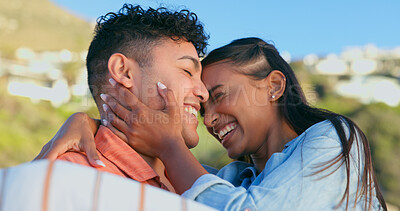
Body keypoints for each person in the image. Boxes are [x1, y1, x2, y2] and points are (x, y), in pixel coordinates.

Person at [37, 38, 387, 210]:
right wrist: (90, 121)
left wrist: (170, 145)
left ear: (274, 87)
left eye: (218, 95)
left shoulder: (334, 140)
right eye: (204, 107)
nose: (209, 118)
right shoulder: (235, 180)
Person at [40, 3, 210, 193]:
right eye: (187, 71)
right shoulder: (70, 177)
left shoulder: (205, 184)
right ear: (123, 71)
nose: (204, 93)